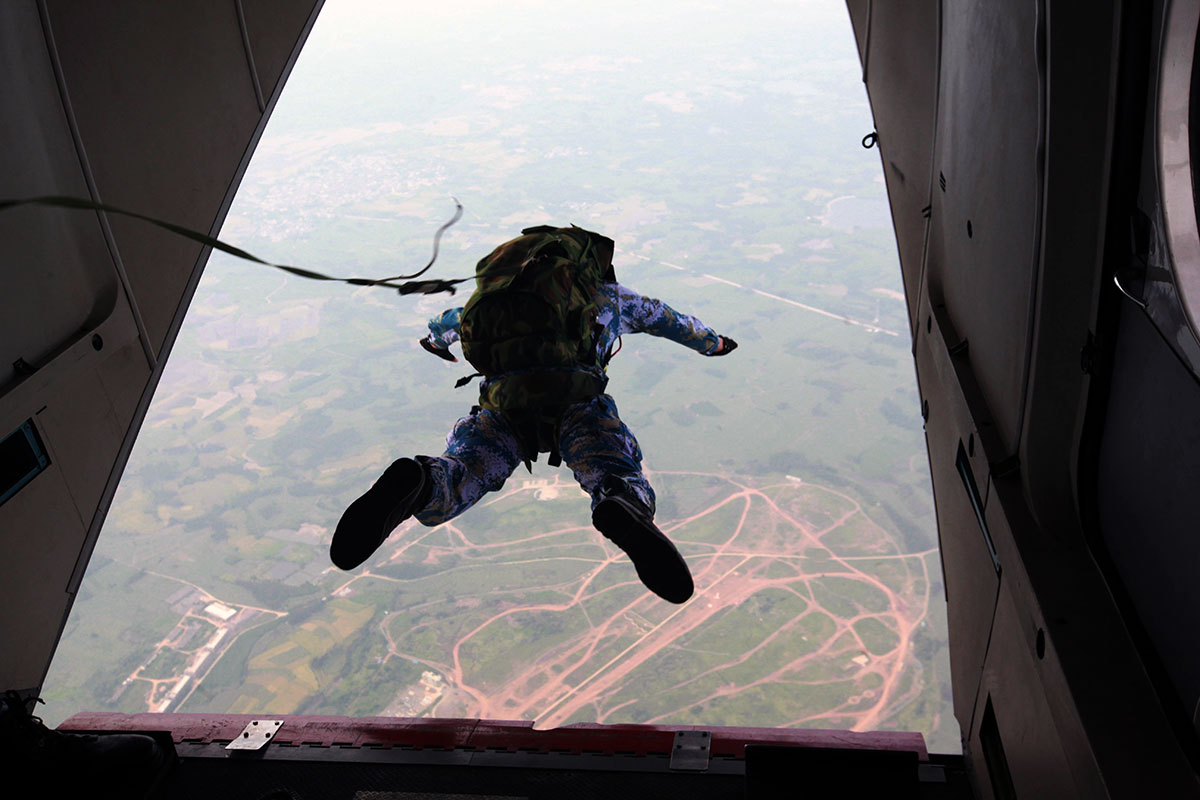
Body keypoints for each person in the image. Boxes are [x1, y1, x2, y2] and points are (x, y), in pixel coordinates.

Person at [330, 226, 736, 604]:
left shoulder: (493, 301)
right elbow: (676, 323)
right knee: (611, 463)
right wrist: (714, 345)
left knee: (469, 469)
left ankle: (422, 483)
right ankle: (621, 500)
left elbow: (444, 325)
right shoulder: (613, 298)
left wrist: (436, 344)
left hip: (505, 406)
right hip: (577, 402)